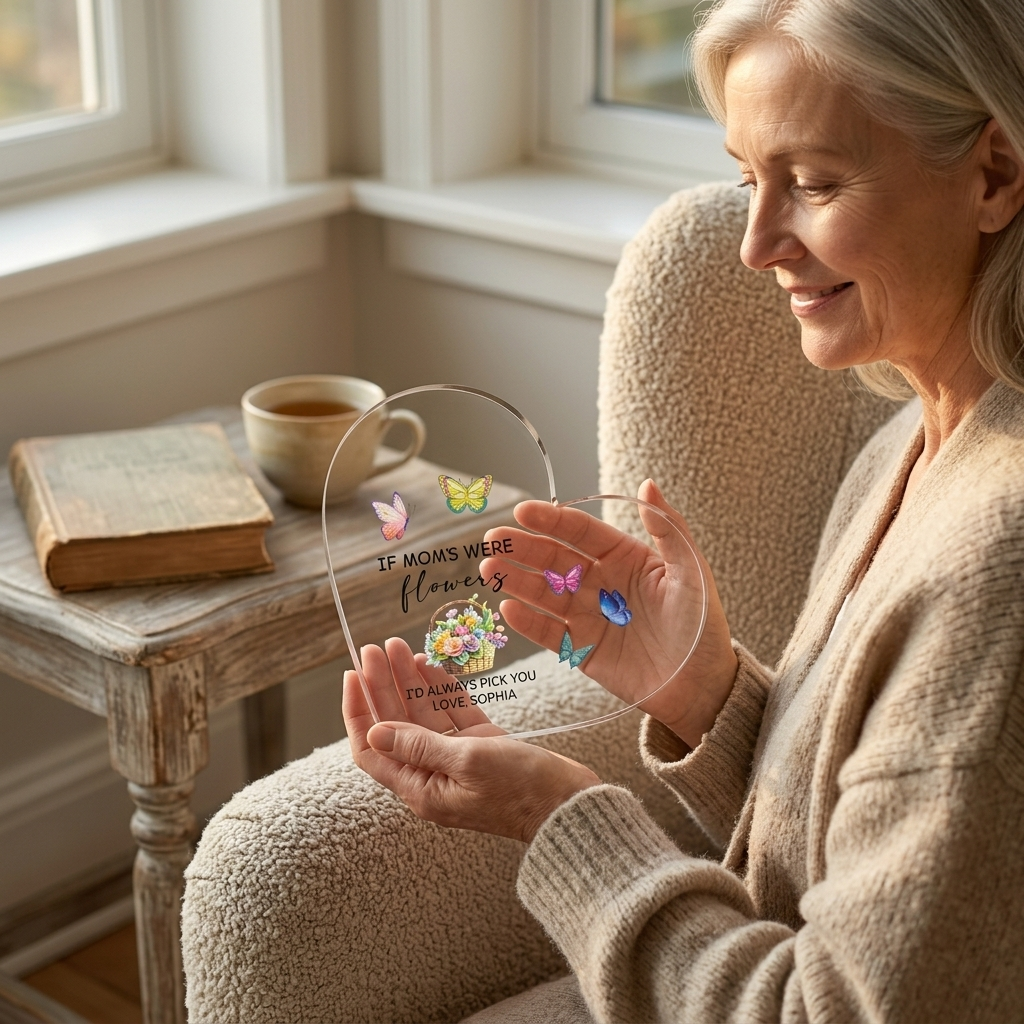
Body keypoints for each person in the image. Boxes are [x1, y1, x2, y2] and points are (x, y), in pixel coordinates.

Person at [344, 0, 1024, 1019]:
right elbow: (862, 838)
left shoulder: (997, 566)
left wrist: (554, 812)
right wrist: (706, 687)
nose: (756, 244)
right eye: (751, 179)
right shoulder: (912, 444)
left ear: (995, 173)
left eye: (813, 182)